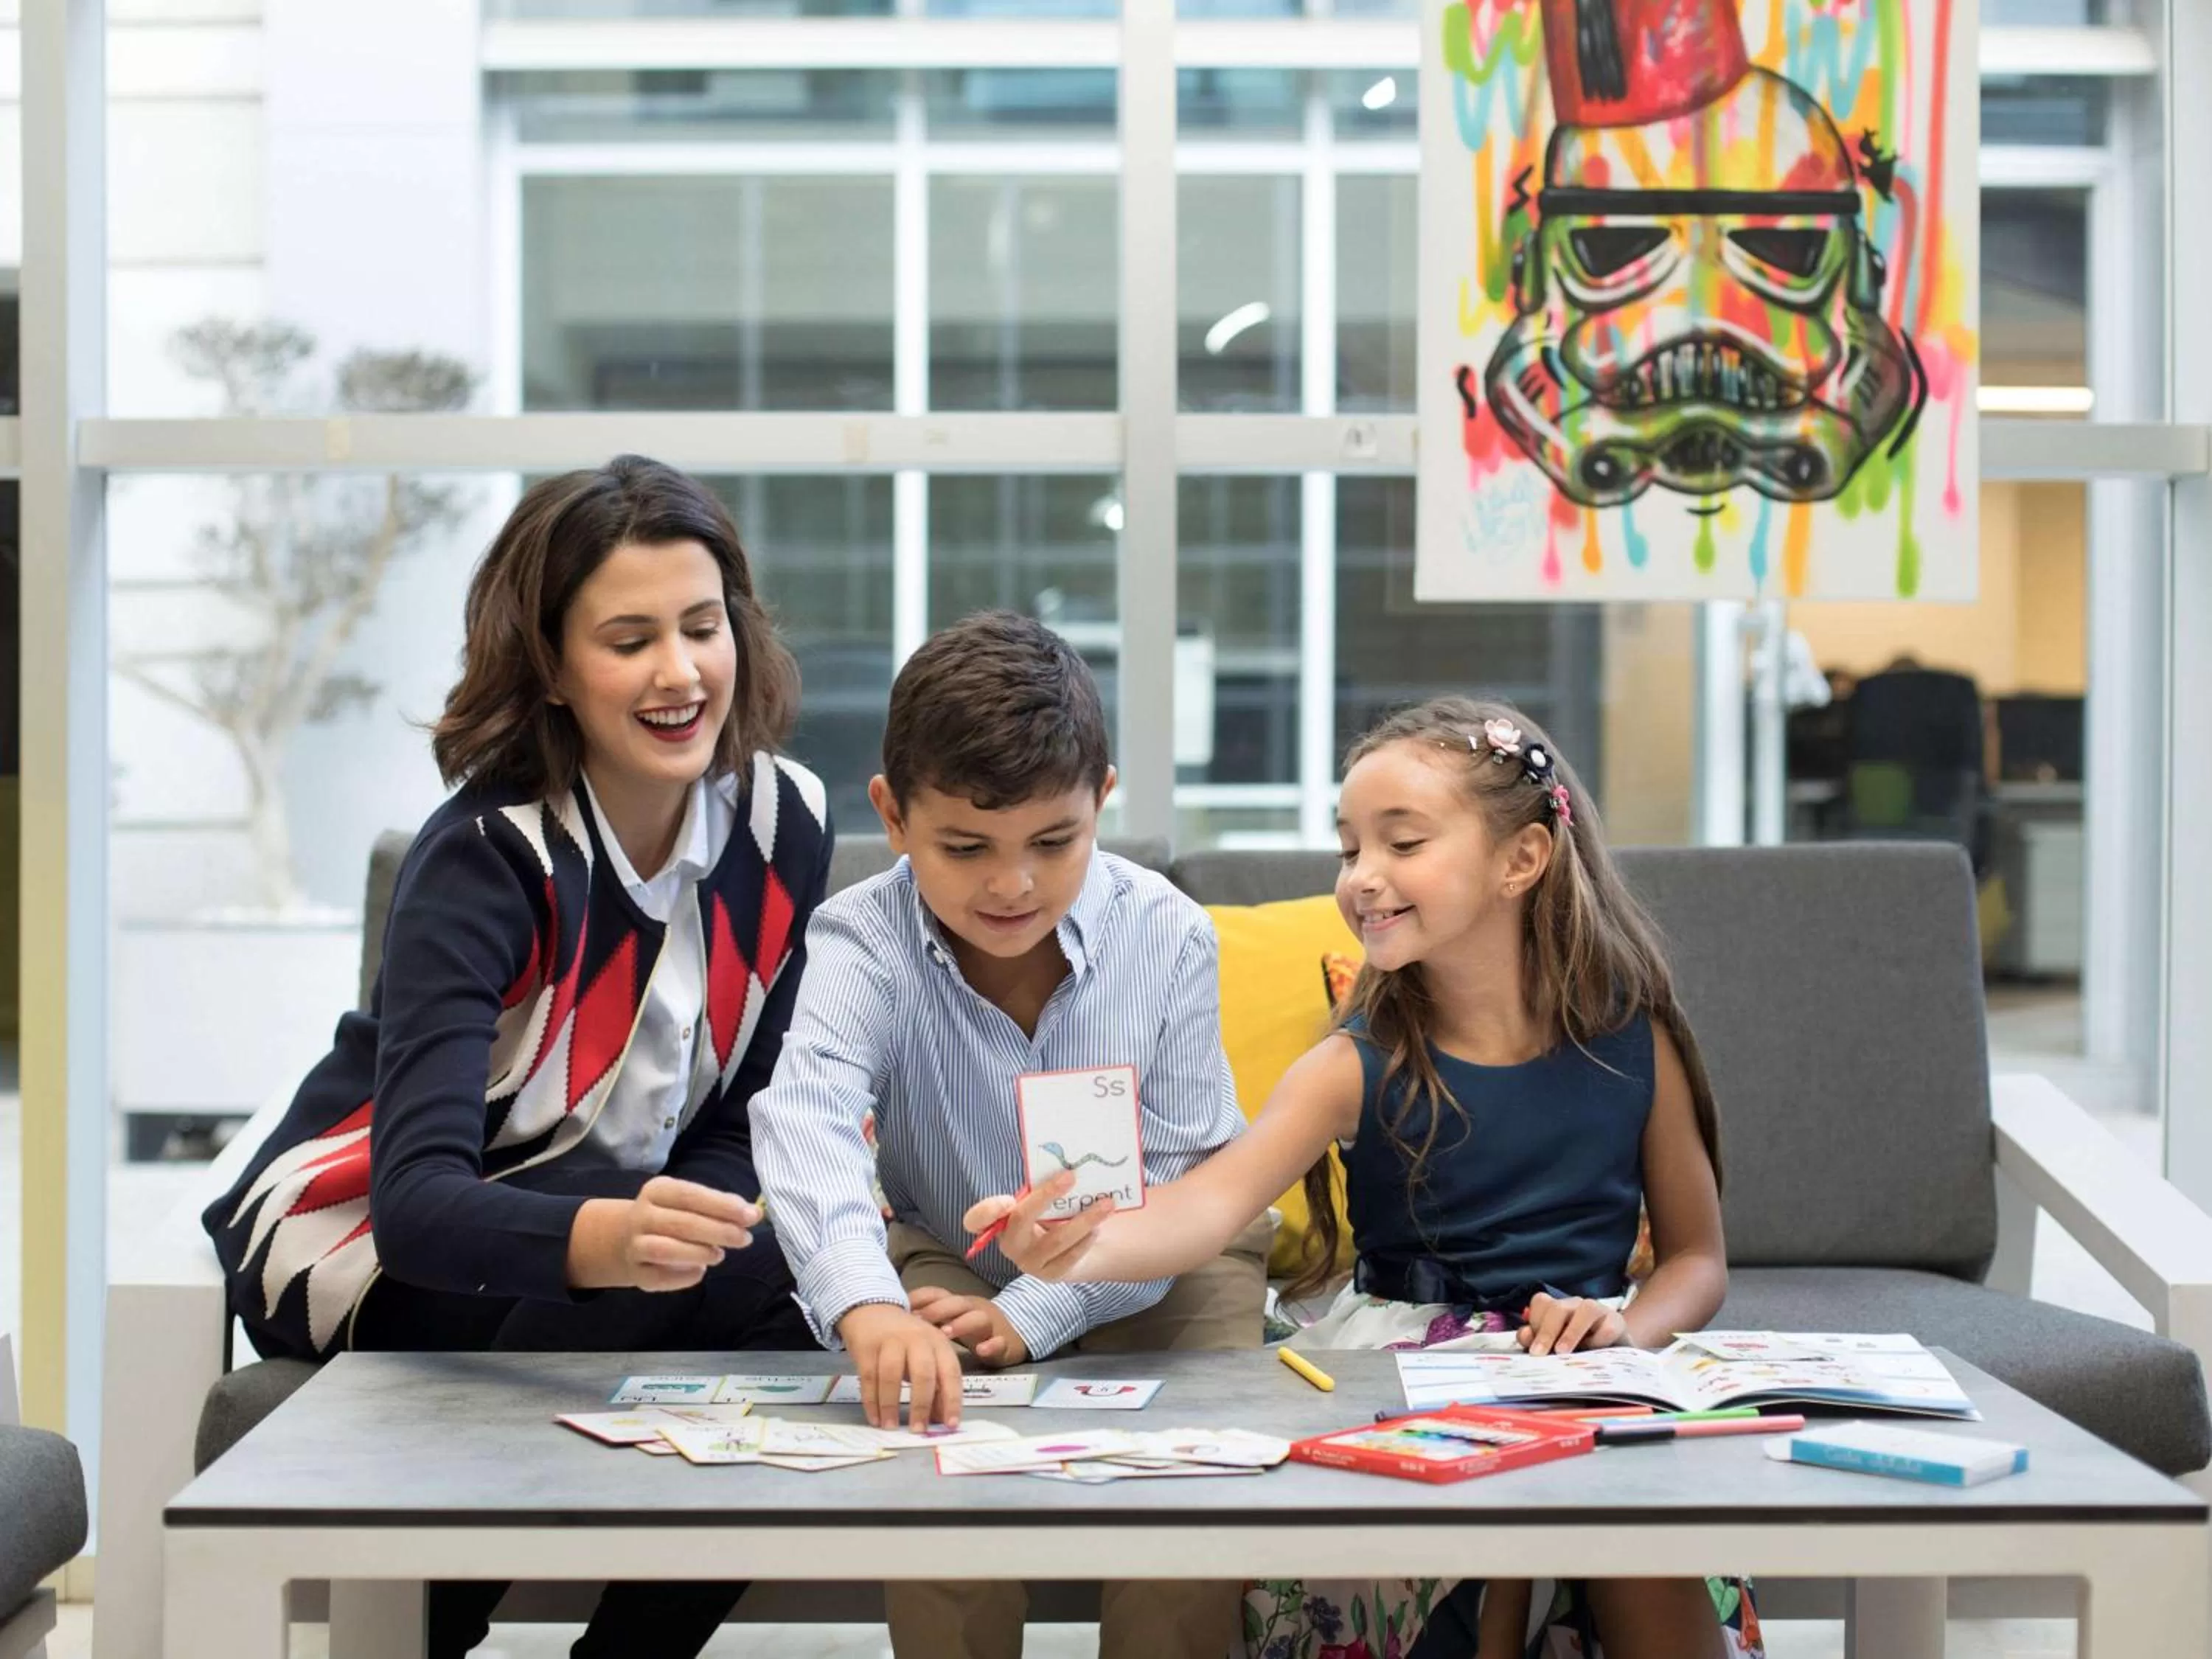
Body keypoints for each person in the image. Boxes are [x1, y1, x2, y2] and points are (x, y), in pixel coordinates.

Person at [967, 696, 1760, 1659]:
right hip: (1399, 1372)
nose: (1362, 877)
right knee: (1476, 1518)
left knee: (1640, 1539)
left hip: (1589, 1366)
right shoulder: (1357, 1061)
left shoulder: (1637, 1042)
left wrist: (1623, 1328)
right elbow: (1207, 1206)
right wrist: (1071, 1244)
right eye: (1348, 848)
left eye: (1402, 841)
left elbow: (1698, 1261)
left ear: (1522, 860)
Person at [203, 455, 832, 1658]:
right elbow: (421, 1198)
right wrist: (610, 1240)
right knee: (728, 1288)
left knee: (788, 1314)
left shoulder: (782, 823)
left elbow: (749, 1110)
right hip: (375, 1237)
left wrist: (682, 1227)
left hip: (620, 1239)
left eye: (703, 627)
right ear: (550, 664)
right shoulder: (487, 857)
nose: (679, 671)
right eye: (628, 638)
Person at [750, 609, 1271, 1659]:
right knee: (941, 1485)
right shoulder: (859, 937)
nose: (1012, 884)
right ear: (892, 816)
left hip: (1172, 1256)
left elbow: (1174, 1185)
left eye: (1053, 841)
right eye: (965, 846)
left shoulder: (1166, 935)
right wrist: (868, 1305)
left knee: (1179, 1515)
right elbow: (807, 1113)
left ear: (1103, 802)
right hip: (954, 1249)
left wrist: (1034, 1311)